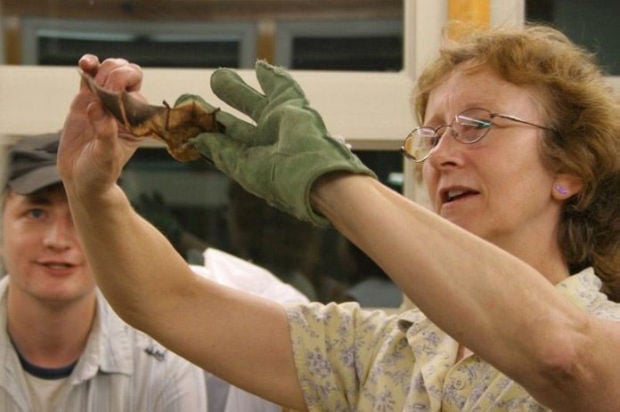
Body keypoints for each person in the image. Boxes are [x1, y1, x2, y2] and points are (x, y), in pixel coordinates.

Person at [57, 22, 620, 411]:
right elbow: (167, 301)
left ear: (568, 168)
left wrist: (328, 179)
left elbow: (561, 356)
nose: (443, 154)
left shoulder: (606, 333)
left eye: (477, 126)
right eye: (431, 134)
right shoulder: (384, 349)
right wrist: (91, 193)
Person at [0, 133, 207, 411]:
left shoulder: (162, 361)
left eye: (80, 215)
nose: (57, 240)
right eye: (36, 213)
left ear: (114, 236)